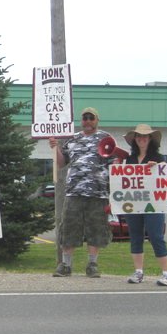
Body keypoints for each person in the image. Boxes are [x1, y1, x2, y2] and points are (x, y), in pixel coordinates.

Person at [49, 107, 111, 278]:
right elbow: (62, 163)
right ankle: (66, 265)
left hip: (98, 192)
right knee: (69, 227)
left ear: (97, 120)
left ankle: (92, 264)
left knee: (96, 228)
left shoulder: (106, 138)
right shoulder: (73, 139)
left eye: (91, 118)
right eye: (85, 118)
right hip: (74, 191)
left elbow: (115, 164)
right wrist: (56, 149)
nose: (88, 121)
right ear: (81, 120)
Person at [121, 124, 167, 286]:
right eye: (138, 136)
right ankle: (138, 272)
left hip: (154, 203)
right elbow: (124, 181)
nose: (141, 139)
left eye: (145, 136)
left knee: (156, 236)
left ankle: (166, 274)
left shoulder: (159, 158)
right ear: (134, 140)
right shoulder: (129, 160)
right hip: (134, 203)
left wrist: (157, 168)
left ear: (150, 139)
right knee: (135, 236)